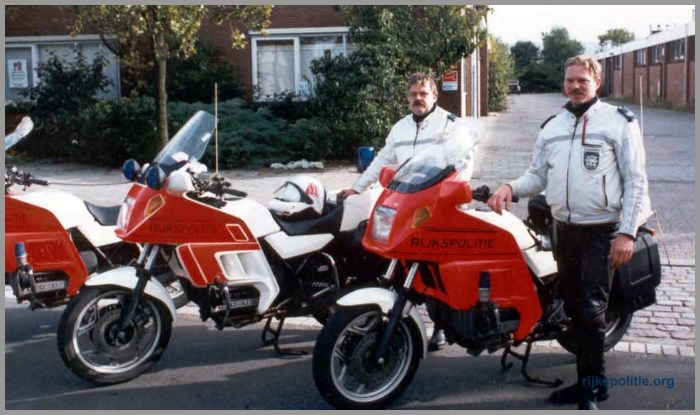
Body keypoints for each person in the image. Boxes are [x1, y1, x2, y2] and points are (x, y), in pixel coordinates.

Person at [487, 55, 652, 410]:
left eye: (582, 80)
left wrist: (627, 232)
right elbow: (537, 176)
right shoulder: (553, 126)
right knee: (575, 309)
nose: (575, 86)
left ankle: (589, 393)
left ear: (597, 83)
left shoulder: (618, 123)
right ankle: (594, 384)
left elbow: (636, 182)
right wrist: (509, 188)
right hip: (564, 230)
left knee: (592, 311)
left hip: (602, 230)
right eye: (570, 80)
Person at [337, 72, 480, 352]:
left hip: (440, 210)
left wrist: (446, 197)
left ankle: (440, 326)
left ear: (435, 96)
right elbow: (382, 160)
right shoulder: (400, 128)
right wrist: (357, 188)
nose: (418, 98)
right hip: (408, 208)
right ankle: (397, 320)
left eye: (423, 94)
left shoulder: (451, 127)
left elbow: (464, 166)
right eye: (413, 94)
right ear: (407, 97)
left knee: (438, 271)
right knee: (404, 265)